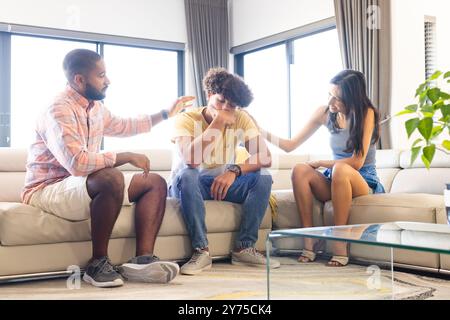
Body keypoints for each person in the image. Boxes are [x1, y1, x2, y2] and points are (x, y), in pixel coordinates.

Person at [22, 48, 195, 287]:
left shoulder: (95, 108)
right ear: (79, 80)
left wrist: (166, 113)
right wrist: (124, 156)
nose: (108, 81)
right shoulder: (58, 109)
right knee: (111, 177)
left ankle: (142, 261)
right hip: (46, 189)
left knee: (153, 182)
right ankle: (97, 264)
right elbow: (78, 163)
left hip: (79, 186)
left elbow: (125, 126)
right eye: (101, 75)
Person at [259, 70, 385, 267]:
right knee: (299, 170)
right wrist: (259, 129)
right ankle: (310, 239)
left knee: (340, 170)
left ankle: (339, 242)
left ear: (353, 98)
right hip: (334, 178)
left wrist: (322, 163)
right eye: (329, 95)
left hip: (362, 179)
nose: (331, 102)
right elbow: (290, 145)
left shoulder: (366, 113)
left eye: (337, 98)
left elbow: (357, 162)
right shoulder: (325, 113)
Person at [169, 67, 280, 275]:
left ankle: (244, 248)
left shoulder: (241, 118)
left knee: (263, 177)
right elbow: (190, 160)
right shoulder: (186, 119)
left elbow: (265, 157)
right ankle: (201, 251)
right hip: (187, 185)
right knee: (188, 174)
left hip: (221, 183)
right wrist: (218, 122)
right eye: (221, 101)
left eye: (232, 105)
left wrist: (234, 170)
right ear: (209, 95)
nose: (226, 109)